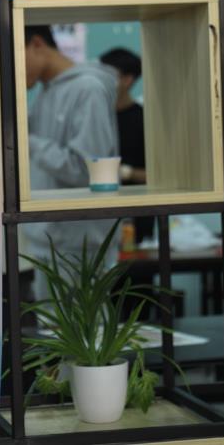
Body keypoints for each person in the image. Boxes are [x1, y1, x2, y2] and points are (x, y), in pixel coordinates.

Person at [21, 25, 119, 299]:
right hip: (51, 239)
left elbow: (87, 170)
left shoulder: (88, 88)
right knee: (52, 323)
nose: (10, 69)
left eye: (13, 57)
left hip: (80, 243)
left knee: (82, 325)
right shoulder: (46, 93)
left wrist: (27, 141)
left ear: (37, 44)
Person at [99, 48, 154, 244]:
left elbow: (162, 176)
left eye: (107, 75)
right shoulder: (96, 118)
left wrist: (125, 173)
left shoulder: (145, 120)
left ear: (127, 80)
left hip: (136, 217)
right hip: (98, 215)